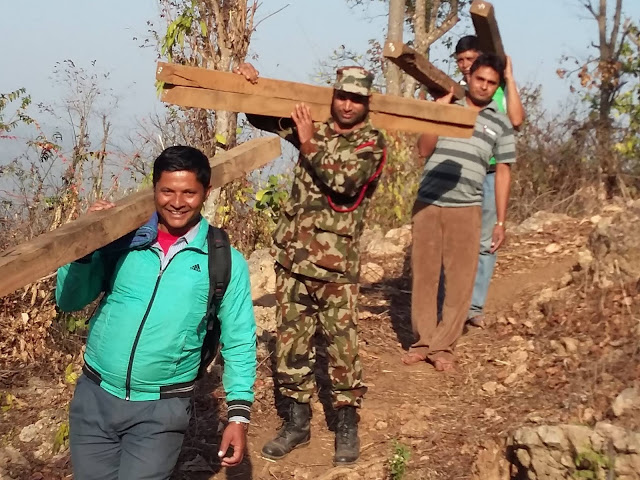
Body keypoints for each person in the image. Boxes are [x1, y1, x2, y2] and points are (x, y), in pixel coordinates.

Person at [56, 146, 257, 479]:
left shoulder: (223, 261)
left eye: (189, 192)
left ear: (206, 192)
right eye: (167, 191)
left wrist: (238, 416)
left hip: (161, 410)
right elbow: (69, 300)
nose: (177, 202)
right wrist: (86, 243)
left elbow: (240, 340)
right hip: (95, 398)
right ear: (154, 189)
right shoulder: (123, 239)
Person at [234, 63, 386, 465]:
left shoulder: (371, 143)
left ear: (367, 102)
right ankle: (297, 423)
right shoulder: (314, 126)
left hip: (336, 268)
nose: (348, 105)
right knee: (291, 345)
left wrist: (308, 141)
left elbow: (345, 183)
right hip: (293, 259)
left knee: (341, 347)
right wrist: (253, 86)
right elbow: (263, 117)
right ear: (334, 96)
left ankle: (346, 425)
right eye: (342, 96)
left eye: (356, 99)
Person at [406, 53, 516, 371]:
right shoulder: (448, 106)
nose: (483, 86)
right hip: (428, 203)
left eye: (491, 82)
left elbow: (503, 172)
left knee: (460, 282)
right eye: (479, 79)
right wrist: (437, 115)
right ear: (469, 77)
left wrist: (500, 221)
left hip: (467, 207)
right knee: (425, 276)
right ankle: (423, 342)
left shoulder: (501, 122)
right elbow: (423, 150)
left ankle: (443, 347)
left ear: (497, 86)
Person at [455, 35, 525, 327]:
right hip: (462, 172)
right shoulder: (457, 93)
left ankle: (474, 307)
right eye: (460, 60)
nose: (465, 65)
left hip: (491, 172)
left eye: (470, 59)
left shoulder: (498, 89)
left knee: (485, 242)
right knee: (455, 240)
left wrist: (509, 79)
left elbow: (517, 120)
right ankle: (451, 303)